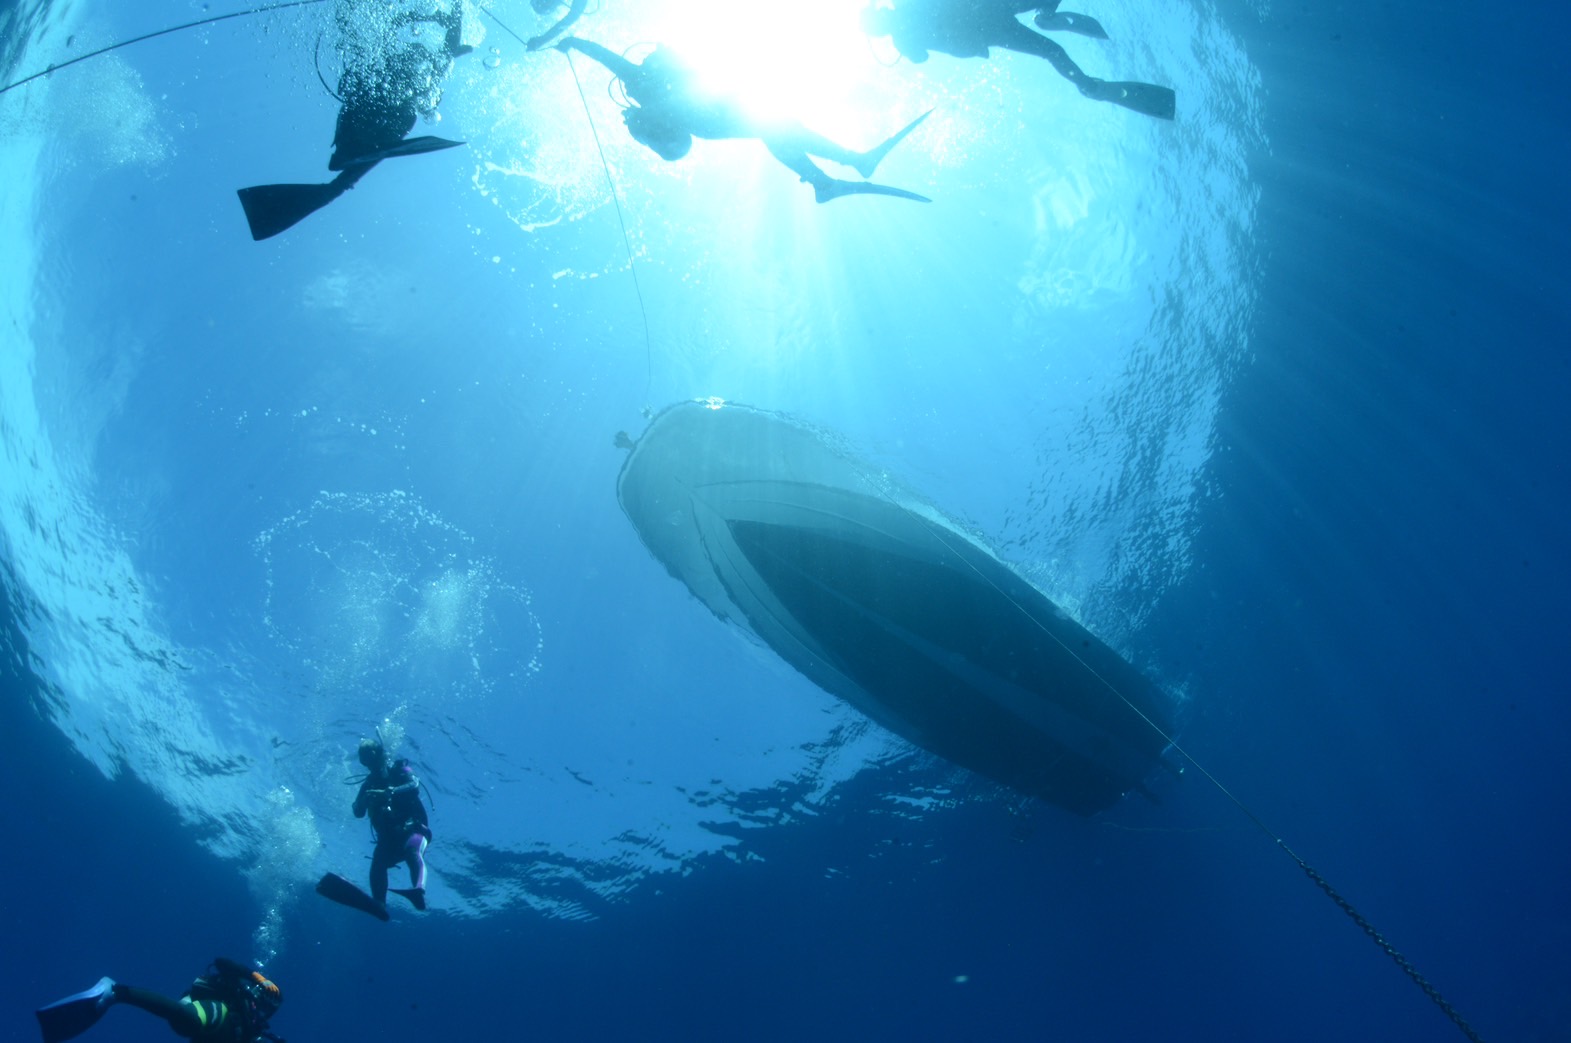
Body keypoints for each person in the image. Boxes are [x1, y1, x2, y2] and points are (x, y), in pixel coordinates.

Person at [555, 36, 933, 203]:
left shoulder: (642, 80)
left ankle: (830, 179)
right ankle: (844, 168)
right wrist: (567, 40)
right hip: (708, 117)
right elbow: (600, 53)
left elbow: (598, 52)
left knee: (772, 126)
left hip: (709, 116)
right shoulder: (644, 81)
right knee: (771, 124)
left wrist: (566, 41)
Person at [236, 1, 474, 240]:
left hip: (373, 132)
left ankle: (336, 185)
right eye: (414, 54)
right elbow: (393, 25)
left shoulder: (426, 70)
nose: (416, 57)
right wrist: (447, 12)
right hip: (367, 128)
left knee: (351, 169)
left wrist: (454, 10)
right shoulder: (385, 61)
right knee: (355, 162)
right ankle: (337, 184)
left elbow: (447, 46)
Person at [861, 0, 1176, 120]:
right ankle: (1048, 18)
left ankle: (1087, 84)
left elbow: (919, 58)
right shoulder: (904, 12)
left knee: (1051, 51)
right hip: (987, 14)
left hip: (986, 27)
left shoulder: (903, 39)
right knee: (1050, 45)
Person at [35, 958, 283, 1043]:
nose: (267, 1005)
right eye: (269, 997)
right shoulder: (241, 997)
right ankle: (116, 991)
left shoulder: (255, 1030)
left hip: (216, 1035)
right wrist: (257, 977)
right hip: (217, 1014)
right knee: (188, 1022)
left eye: (273, 1004)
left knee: (188, 1025)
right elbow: (221, 961)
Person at [353, 737, 432, 910]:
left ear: (380, 755)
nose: (369, 764)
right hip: (389, 841)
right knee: (378, 863)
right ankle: (379, 903)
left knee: (412, 852)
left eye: (371, 757)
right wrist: (364, 800)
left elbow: (414, 785)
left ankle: (418, 891)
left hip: (414, 830)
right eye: (364, 760)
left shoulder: (400, 769)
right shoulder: (368, 785)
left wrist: (390, 792)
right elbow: (357, 812)